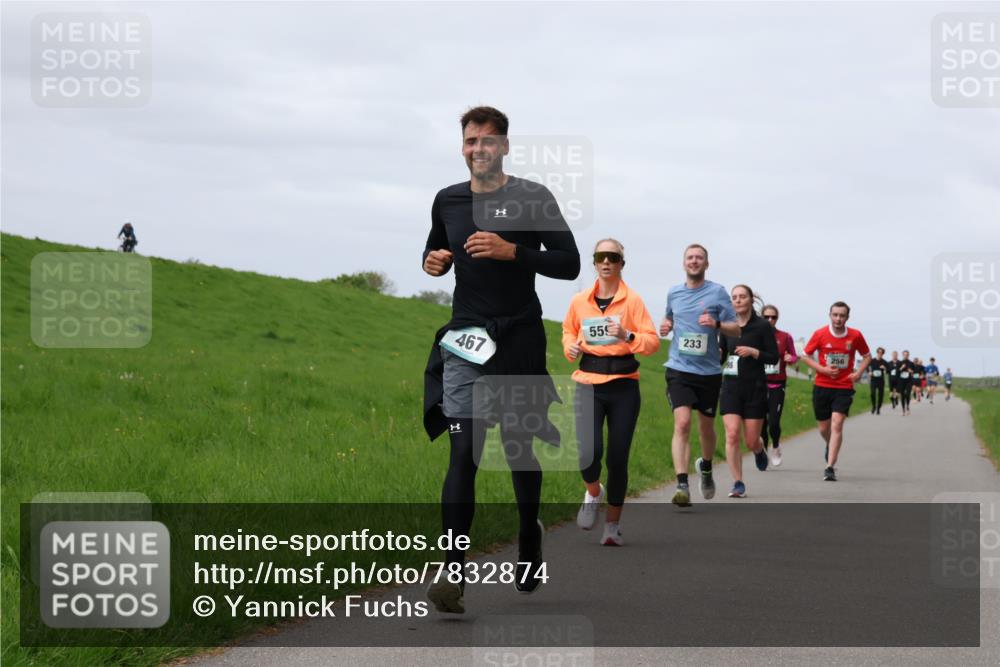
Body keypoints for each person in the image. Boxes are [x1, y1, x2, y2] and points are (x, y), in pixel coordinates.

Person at [422, 106, 580, 613]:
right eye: (470, 141)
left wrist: (515, 252)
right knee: (463, 452)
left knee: (518, 449)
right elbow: (432, 253)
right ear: (462, 146)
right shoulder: (447, 201)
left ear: (505, 147)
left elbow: (570, 264)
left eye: (488, 141)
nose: (478, 149)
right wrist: (433, 262)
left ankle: (529, 535)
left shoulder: (532, 197)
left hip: (519, 338)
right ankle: (452, 571)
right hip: (466, 339)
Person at [563, 239, 659, 545]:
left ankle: (612, 527)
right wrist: (570, 346)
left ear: (621, 263)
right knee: (588, 453)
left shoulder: (633, 301)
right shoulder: (580, 301)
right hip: (588, 382)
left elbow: (652, 342)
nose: (606, 262)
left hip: (623, 385)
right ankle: (593, 492)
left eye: (613, 257)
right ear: (594, 262)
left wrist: (627, 334)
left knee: (618, 457)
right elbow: (568, 330)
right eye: (601, 257)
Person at [659, 244, 740, 506]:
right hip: (679, 368)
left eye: (699, 258)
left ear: (706, 264)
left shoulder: (717, 292)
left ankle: (705, 467)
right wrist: (666, 325)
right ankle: (682, 484)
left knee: (706, 428)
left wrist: (716, 324)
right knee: (682, 423)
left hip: (709, 373)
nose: (694, 261)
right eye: (690, 257)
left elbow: (736, 329)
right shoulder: (674, 292)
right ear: (684, 263)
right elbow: (670, 319)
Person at [800, 302, 871, 481]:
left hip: (844, 387)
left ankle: (829, 467)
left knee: (837, 424)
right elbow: (805, 356)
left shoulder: (855, 335)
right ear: (830, 315)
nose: (838, 319)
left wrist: (858, 373)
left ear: (847, 317)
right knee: (824, 428)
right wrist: (822, 369)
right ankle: (829, 443)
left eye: (842, 315)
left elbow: (867, 356)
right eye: (835, 315)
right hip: (822, 386)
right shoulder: (820, 334)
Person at [719, 286, 779, 498]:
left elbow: (773, 357)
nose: (738, 300)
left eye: (742, 297)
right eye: (734, 298)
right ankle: (737, 483)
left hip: (755, 388)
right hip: (730, 388)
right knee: (732, 434)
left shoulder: (762, 326)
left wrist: (754, 352)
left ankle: (758, 449)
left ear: (751, 300)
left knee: (751, 440)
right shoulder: (727, 325)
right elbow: (722, 355)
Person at [759, 304, 798, 467]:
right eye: (766, 317)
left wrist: (791, 358)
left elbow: (795, 356)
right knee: (761, 423)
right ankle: (764, 453)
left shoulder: (785, 336)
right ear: (761, 317)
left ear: (777, 318)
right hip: (758, 384)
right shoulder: (755, 335)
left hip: (777, 384)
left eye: (773, 317)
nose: (770, 320)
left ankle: (775, 445)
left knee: (774, 422)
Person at [869, 347, 889, 415]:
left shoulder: (884, 362)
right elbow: (867, 367)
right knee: (872, 393)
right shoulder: (872, 361)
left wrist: (885, 368)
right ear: (877, 352)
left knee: (880, 395)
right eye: (879, 352)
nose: (880, 354)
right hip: (873, 380)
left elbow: (888, 371)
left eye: (881, 353)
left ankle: (878, 408)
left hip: (880, 380)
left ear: (883, 354)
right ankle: (874, 406)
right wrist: (869, 372)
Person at [897, 350, 915, 416]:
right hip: (901, 381)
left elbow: (914, 372)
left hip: (909, 381)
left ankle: (907, 406)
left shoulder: (911, 363)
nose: (906, 355)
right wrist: (901, 368)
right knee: (902, 395)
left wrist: (911, 371)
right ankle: (903, 410)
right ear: (902, 355)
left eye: (907, 354)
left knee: (907, 394)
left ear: (908, 355)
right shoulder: (900, 362)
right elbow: (897, 372)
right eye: (904, 354)